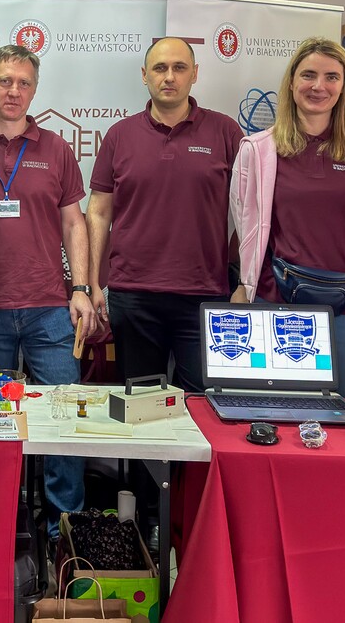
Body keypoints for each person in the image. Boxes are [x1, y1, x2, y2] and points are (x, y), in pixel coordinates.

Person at [0, 44, 95, 538]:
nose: (14, 91)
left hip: (48, 307)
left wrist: (81, 287)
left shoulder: (56, 148)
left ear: (35, 90)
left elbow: (74, 223)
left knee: (65, 416)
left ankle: (64, 530)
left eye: (24, 83)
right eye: (5, 80)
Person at [230, 38, 345, 398]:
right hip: (277, 298)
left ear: (344, 86)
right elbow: (246, 225)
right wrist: (244, 285)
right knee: (277, 410)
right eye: (308, 75)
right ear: (291, 82)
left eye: (332, 77)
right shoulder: (258, 150)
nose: (319, 86)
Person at [87, 37, 242, 392]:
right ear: (145, 75)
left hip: (205, 295)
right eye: (160, 68)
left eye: (179, 68)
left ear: (194, 74)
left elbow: (251, 211)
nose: (169, 77)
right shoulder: (119, 135)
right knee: (142, 406)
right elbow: (98, 212)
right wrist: (93, 282)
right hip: (134, 295)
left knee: (205, 404)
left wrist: (243, 279)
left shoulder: (225, 131)